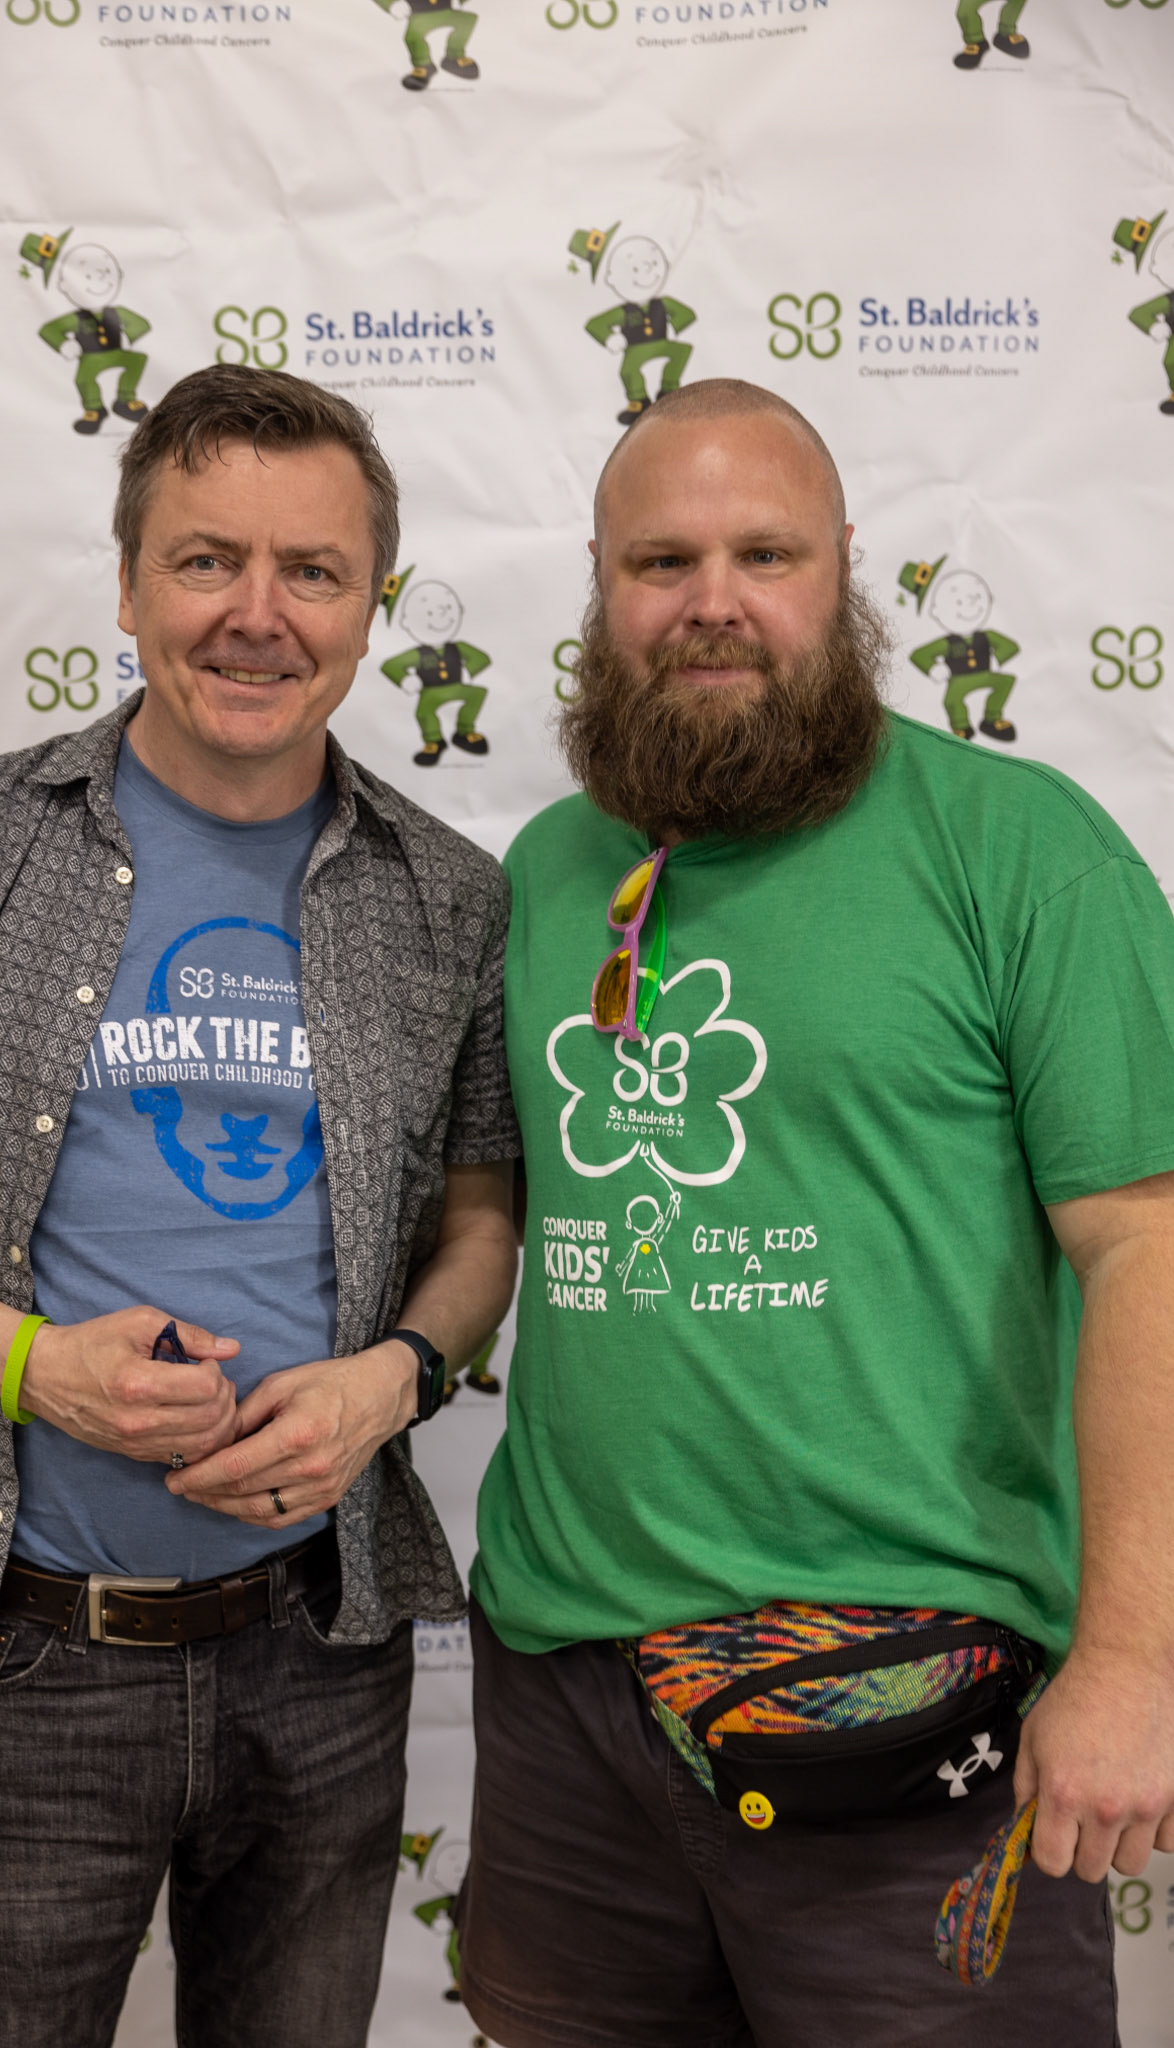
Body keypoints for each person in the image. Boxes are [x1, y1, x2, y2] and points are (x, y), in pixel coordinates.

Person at [0, 364, 519, 2048]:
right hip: (24, 1657)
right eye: (207, 561)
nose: (257, 615)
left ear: (371, 606)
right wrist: (27, 1363)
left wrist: (390, 1383)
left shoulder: (449, 896)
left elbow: (483, 1224)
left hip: (321, 1652)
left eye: (311, 571)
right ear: (129, 586)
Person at [458, 377, 1174, 2046]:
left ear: (841, 568)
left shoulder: (1019, 852)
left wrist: (1134, 1659)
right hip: (567, 1702)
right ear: (598, 584)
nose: (710, 601)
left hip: (906, 1702)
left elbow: (1147, 1249)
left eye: (762, 554)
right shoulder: (550, 871)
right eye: (661, 561)